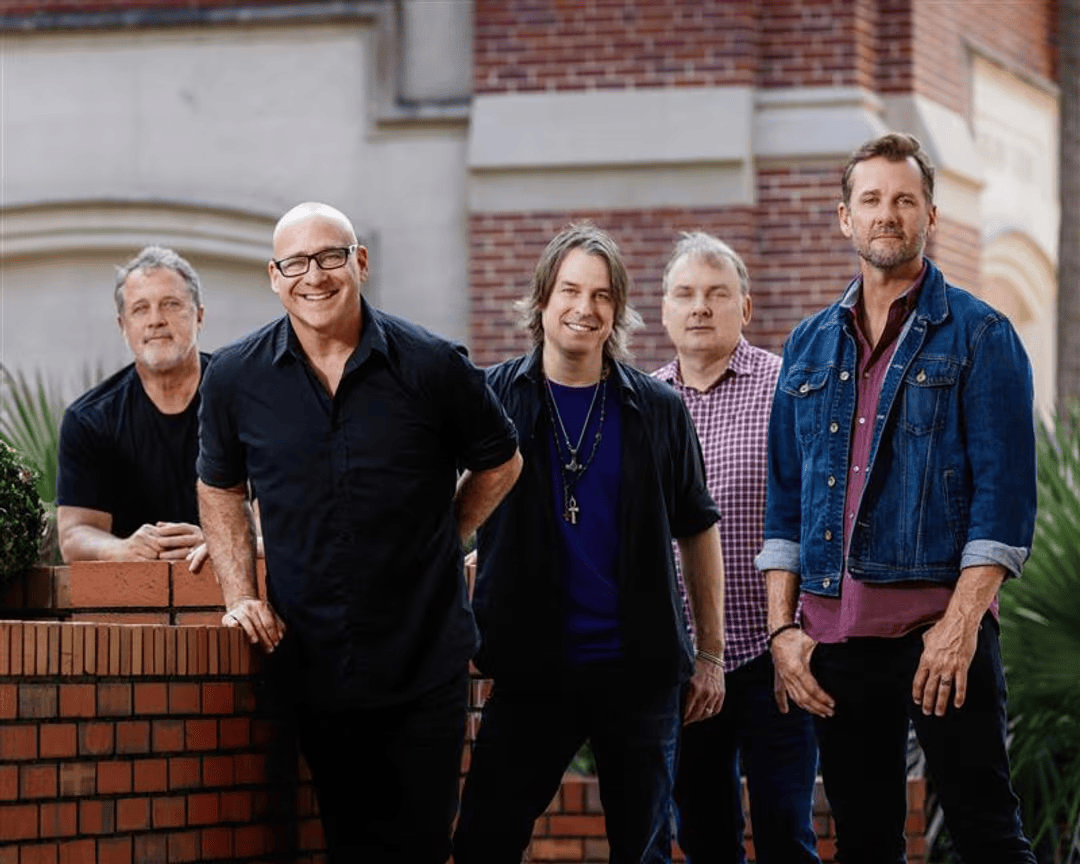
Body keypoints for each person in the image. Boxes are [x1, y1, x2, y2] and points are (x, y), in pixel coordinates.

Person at [196, 202, 521, 863]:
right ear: (274, 277)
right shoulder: (234, 378)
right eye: (295, 263)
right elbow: (219, 487)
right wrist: (239, 596)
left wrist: (448, 529)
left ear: (359, 264)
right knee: (348, 845)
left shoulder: (432, 365)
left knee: (422, 845)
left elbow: (502, 458)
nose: (313, 276)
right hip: (312, 662)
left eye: (330, 257)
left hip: (424, 657)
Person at [756, 132, 1038, 863]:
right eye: (872, 199)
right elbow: (784, 503)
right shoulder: (808, 345)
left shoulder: (982, 335)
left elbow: (1003, 503)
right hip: (835, 640)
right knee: (865, 842)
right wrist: (784, 631)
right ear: (844, 218)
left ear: (931, 216)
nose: (888, 213)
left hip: (939, 635)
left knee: (987, 834)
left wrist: (960, 625)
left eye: (904, 200)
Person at [454, 223, 725, 863]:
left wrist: (710, 653)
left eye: (602, 296)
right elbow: (442, 516)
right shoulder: (493, 397)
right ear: (542, 301)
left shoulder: (658, 408)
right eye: (570, 291)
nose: (585, 308)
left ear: (618, 310)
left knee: (645, 851)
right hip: (530, 666)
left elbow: (697, 527)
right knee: (482, 843)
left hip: (639, 670)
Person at [653, 231, 819, 863]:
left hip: (771, 656)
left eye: (717, 294)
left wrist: (798, 633)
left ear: (744, 308)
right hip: (683, 663)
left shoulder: (787, 391)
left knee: (786, 833)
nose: (700, 307)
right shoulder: (644, 403)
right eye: (686, 294)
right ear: (664, 309)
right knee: (703, 837)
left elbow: (817, 517)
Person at [57, 245, 211, 570]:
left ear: (198, 314)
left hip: (236, 590)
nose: (156, 320)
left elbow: (275, 516)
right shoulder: (89, 420)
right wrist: (123, 548)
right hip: (132, 603)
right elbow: (74, 535)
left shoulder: (243, 396)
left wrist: (219, 540)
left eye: (170, 304)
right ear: (122, 326)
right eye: (140, 309)